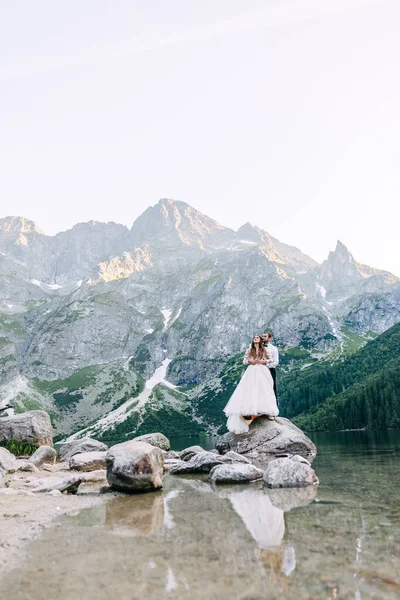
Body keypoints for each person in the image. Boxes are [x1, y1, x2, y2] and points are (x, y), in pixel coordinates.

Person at [224, 334, 279, 434]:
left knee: (265, 389)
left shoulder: (265, 350)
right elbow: (244, 361)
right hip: (252, 370)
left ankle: (268, 412)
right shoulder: (250, 350)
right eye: (254, 338)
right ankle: (251, 411)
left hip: (262, 370)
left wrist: (264, 361)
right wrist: (251, 361)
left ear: (260, 340)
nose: (255, 339)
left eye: (257, 338)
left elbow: (271, 360)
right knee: (250, 389)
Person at [262, 331, 279, 398]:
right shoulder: (259, 348)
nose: (263, 337)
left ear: (269, 338)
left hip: (270, 370)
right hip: (260, 370)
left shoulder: (274, 349)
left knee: (271, 387)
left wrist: (266, 365)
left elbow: (276, 362)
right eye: (262, 336)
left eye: (265, 336)